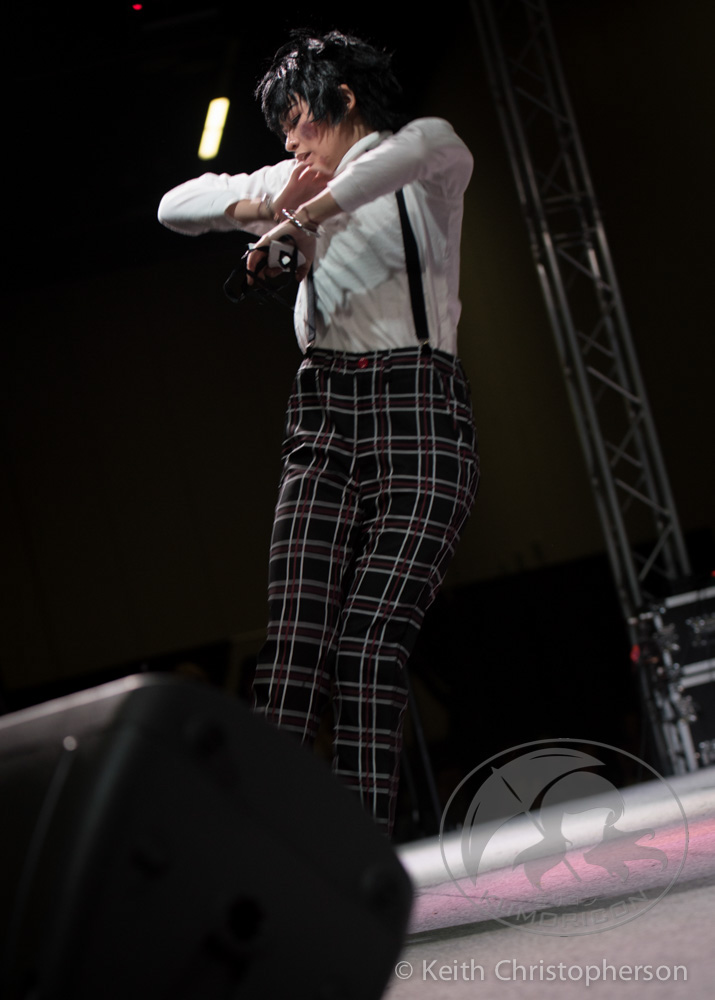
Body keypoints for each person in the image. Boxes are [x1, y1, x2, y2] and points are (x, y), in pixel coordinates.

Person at [158, 30, 479, 837]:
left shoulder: (424, 154)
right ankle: (273, 848)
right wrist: (265, 207)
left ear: (341, 101)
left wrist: (301, 216)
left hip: (418, 407)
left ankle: (360, 852)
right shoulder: (288, 179)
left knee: (368, 646)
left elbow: (400, 158)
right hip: (323, 411)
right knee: (293, 644)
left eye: (296, 119)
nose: (289, 142)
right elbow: (173, 205)